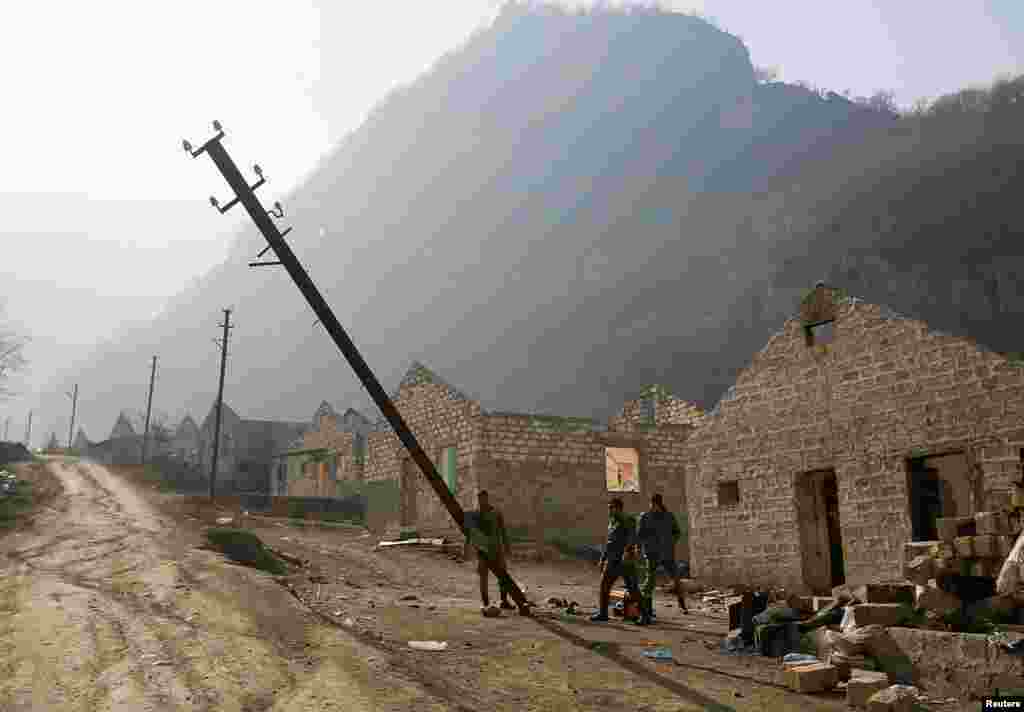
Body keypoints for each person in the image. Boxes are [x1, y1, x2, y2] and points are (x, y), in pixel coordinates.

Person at [636, 493, 688, 625]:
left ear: (658, 504)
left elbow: (677, 532)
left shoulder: (669, 517)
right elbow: (639, 535)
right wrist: (640, 548)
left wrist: (670, 543)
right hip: (652, 554)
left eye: (654, 505)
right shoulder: (645, 517)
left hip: (667, 554)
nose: (653, 507)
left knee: (676, 579)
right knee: (650, 582)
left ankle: (681, 602)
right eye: (652, 504)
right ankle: (647, 611)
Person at [591, 497, 642, 622]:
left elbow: (632, 537)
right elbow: (609, 543)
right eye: (609, 508)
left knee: (633, 590)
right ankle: (603, 614)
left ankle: (645, 615)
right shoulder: (612, 522)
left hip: (625, 561)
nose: (609, 511)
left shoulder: (628, 519)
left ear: (618, 508)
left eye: (611, 508)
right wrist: (603, 559)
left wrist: (627, 551)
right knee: (604, 586)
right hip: (613, 560)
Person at [463, 490, 514, 613]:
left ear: (487, 499)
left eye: (484, 499)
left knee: (503, 575)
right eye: (480, 499)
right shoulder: (474, 515)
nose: (482, 501)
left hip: (497, 549)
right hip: (483, 551)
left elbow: (503, 530)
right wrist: (466, 548)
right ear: (478, 500)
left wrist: (507, 547)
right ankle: (485, 602)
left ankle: (504, 600)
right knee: (483, 577)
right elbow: (470, 533)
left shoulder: (496, 513)